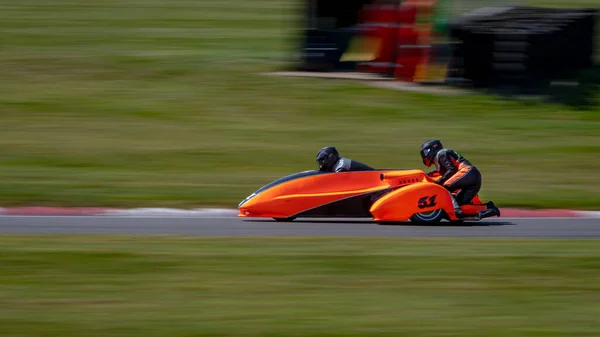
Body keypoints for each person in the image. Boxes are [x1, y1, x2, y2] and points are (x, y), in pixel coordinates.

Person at [419, 139, 482, 217]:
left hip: (467, 172)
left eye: (425, 153)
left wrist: (440, 181)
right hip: (473, 176)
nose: (424, 156)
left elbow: (452, 169)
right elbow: (443, 171)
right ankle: (488, 207)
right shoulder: (440, 158)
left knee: (444, 188)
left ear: (432, 149)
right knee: (460, 203)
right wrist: (428, 174)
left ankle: (455, 210)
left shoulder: (441, 154)